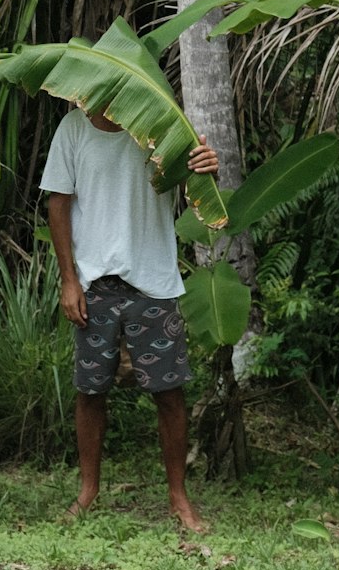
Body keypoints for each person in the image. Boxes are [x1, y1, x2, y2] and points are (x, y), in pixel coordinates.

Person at [41, 101, 219, 531]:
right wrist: (69, 280)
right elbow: (57, 205)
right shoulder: (73, 129)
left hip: (153, 279)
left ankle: (179, 498)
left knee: (169, 392)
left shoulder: (160, 125)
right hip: (94, 282)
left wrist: (205, 167)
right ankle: (88, 492)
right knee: (90, 391)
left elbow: (198, 189)